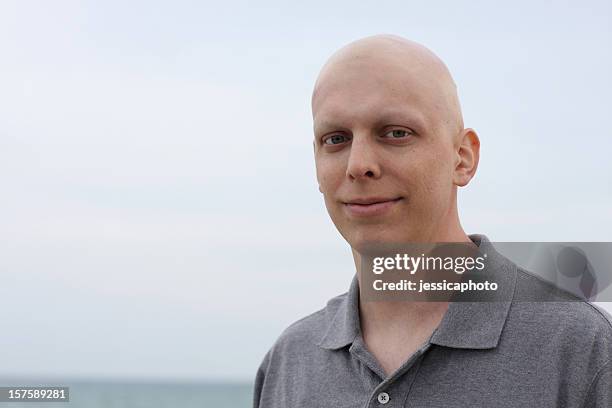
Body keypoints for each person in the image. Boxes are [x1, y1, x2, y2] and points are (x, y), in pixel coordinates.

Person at [253, 35, 612, 407]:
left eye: (395, 133)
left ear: (462, 157)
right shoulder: (290, 361)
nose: (358, 164)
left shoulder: (580, 349)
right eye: (336, 138)